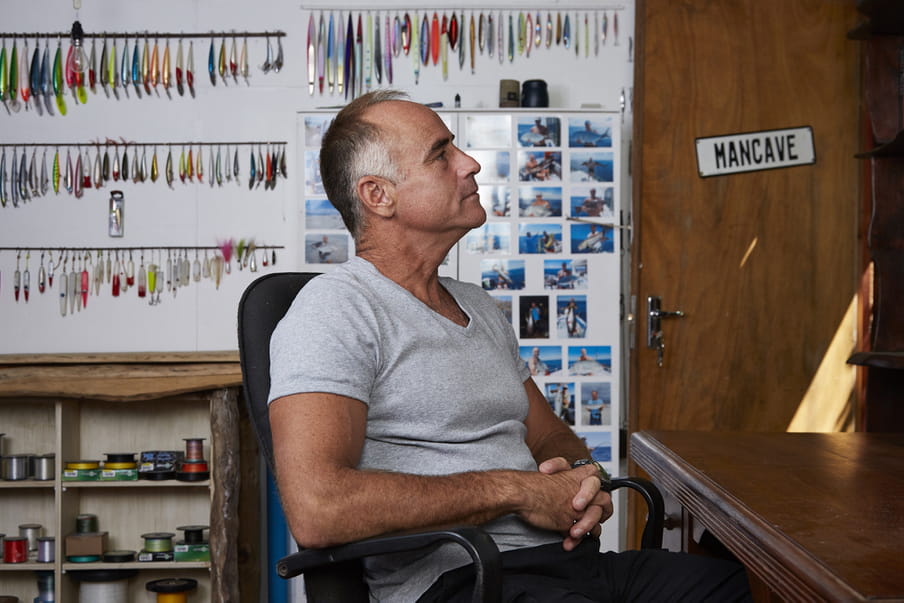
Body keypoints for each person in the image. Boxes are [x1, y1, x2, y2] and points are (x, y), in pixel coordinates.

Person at [268, 90, 751, 602]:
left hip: (569, 565)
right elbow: (318, 508)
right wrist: (517, 491)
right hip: (466, 581)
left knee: (746, 588)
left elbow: (549, 440)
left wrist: (584, 481)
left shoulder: (478, 306)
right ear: (378, 195)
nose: (470, 163)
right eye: (441, 154)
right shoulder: (335, 308)